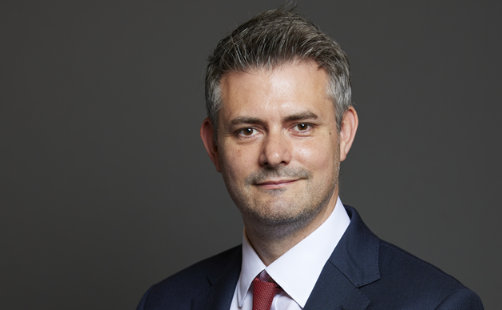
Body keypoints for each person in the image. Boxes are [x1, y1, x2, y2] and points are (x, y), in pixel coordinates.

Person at [137, 5, 483, 310]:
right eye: (248, 130)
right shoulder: (165, 301)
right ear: (213, 145)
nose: (274, 155)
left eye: (300, 126)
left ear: (344, 133)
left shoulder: (436, 305)